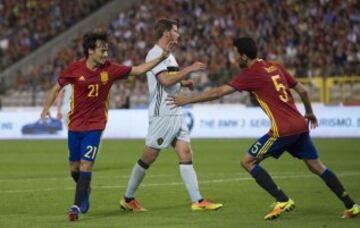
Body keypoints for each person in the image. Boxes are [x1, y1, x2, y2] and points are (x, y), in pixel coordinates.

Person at [167, 37, 359, 220]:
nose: (235, 59)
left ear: (243, 56)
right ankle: (351, 205)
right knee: (317, 166)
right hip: (300, 125)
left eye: (236, 54)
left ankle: (282, 199)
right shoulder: (276, 66)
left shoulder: (251, 74)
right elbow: (303, 90)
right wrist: (309, 112)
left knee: (248, 162)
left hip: (282, 130)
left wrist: (187, 100)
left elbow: (218, 92)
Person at [41, 31, 172, 221]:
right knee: (74, 169)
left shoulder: (110, 69)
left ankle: (76, 207)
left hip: (95, 126)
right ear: (90, 51)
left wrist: (161, 57)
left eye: (107, 50)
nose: (106, 54)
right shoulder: (74, 69)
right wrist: (46, 108)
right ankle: (85, 189)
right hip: (75, 126)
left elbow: (138, 70)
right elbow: (56, 88)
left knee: (87, 164)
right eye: (102, 51)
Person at [119, 18, 223, 212]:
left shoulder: (170, 56)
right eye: (175, 30)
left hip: (175, 110)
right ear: (166, 33)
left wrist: (182, 83)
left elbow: (170, 81)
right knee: (149, 156)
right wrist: (189, 70)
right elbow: (165, 81)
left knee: (185, 153)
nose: (178, 33)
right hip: (163, 113)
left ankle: (198, 201)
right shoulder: (155, 53)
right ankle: (128, 198)